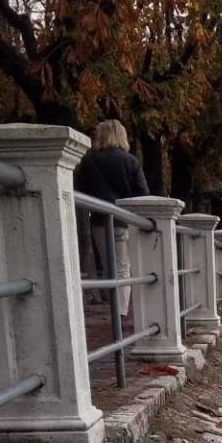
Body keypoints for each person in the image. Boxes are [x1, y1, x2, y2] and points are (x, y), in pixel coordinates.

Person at [74, 119, 149, 316]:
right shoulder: (130, 161)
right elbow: (143, 193)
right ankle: (121, 312)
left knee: (108, 266)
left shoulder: (89, 160)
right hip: (124, 221)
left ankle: (115, 305)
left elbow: (78, 189)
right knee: (123, 267)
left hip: (99, 220)